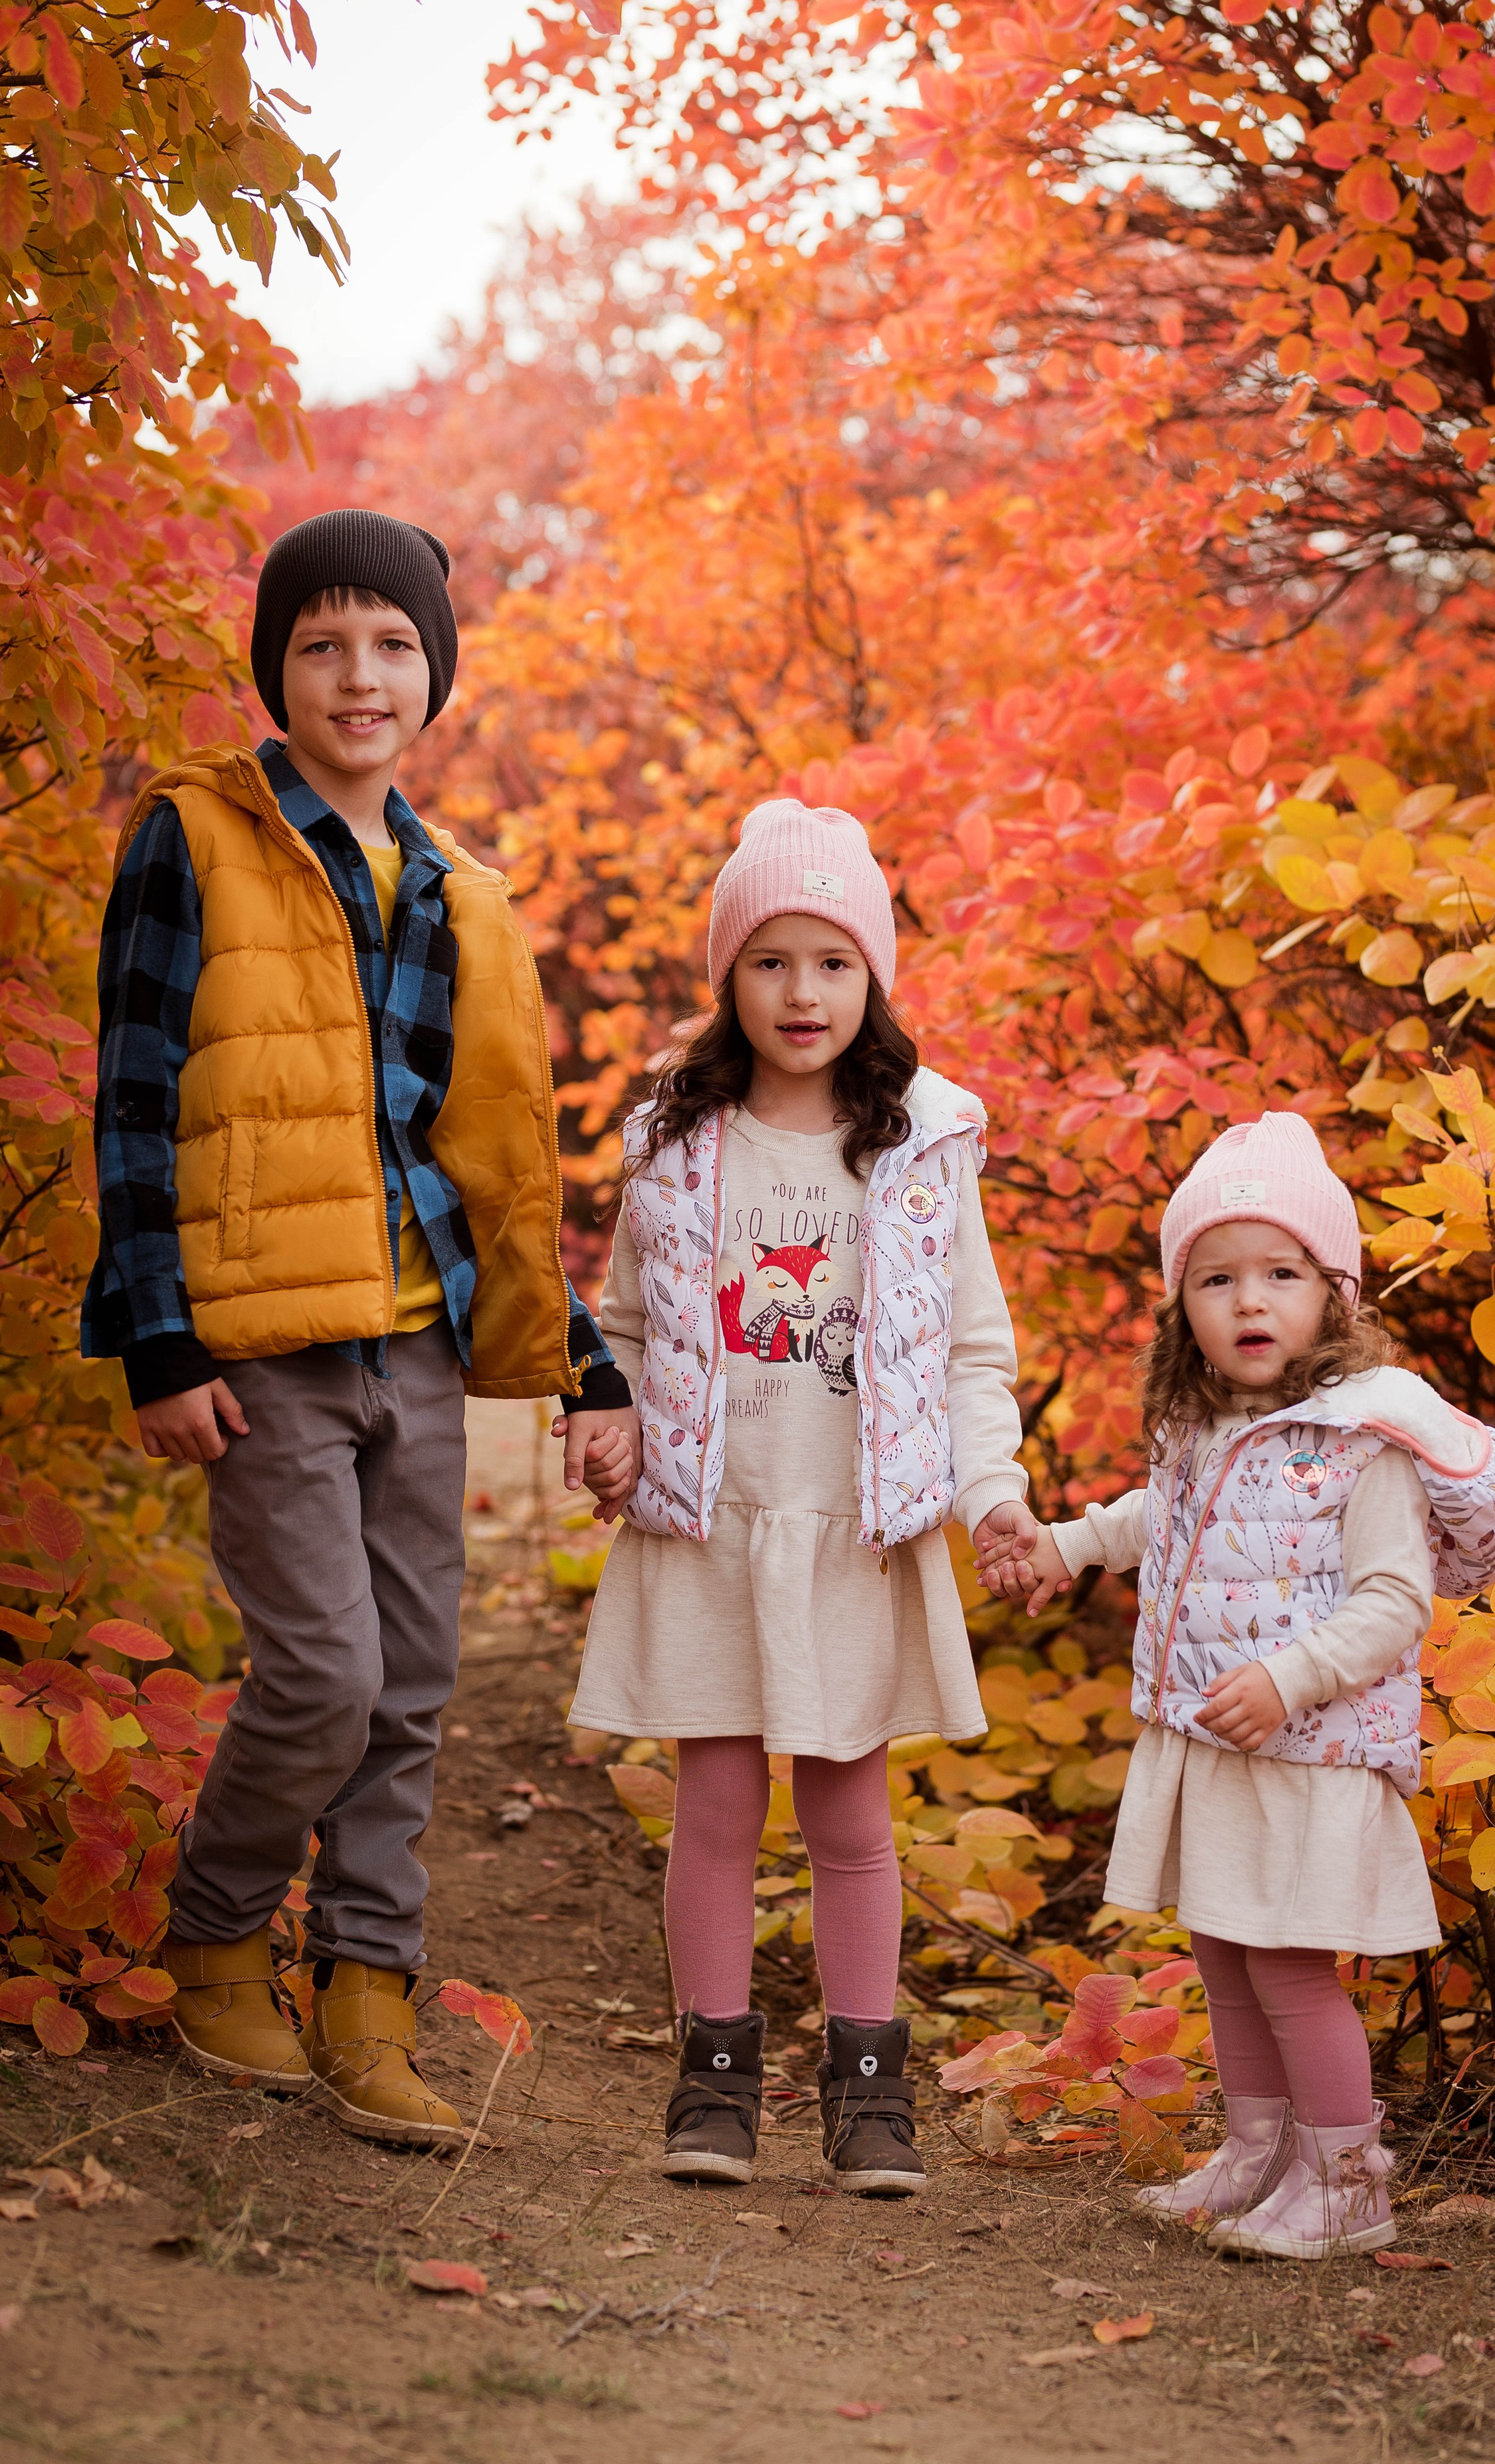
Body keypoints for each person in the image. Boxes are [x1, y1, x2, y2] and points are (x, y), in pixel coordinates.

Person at [83, 509, 641, 2146]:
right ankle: (211, 1937)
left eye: (393, 642)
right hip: (259, 1347)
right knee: (322, 1675)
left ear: (436, 674)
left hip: (419, 1347)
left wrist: (580, 1358)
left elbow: (485, 1162)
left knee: (411, 1691)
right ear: (276, 670)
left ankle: (369, 1997)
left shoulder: (460, 889)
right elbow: (132, 1099)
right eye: (322, 642)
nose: (358, 671)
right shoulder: (196, 835)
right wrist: (157, 1340)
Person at [568, 797, 1037, 2196]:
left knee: (848, 1821)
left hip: (855, 1535)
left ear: (873, 975)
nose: (801, 991)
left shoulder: (919, 1144)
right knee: (712, 1807)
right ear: (729, 975)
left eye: (832, 960)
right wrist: (603, 1421)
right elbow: (626, 1325)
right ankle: (712, 2074)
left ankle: (866, 2083)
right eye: (769, 959)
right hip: (712, 1519)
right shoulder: (677, 1134)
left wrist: (991, 1490)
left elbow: (969, 1348)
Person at [980, 1111, 1495, 2257]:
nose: (1250, 1301)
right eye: (1217, 1278)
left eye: (1282, 1273)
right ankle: (1257, 2153)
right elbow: (1163, 1520)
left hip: (1309, 1750)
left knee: (1286, 1964)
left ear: (1335, 1293)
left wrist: (1289, 1677)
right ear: (1185, 1304)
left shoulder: (1366, 1441)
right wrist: (1072, 1546)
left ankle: (1346, 2180)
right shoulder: (1205, 1423)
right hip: (1221, 1743)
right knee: (1223, 1948)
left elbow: (1393, 1602)